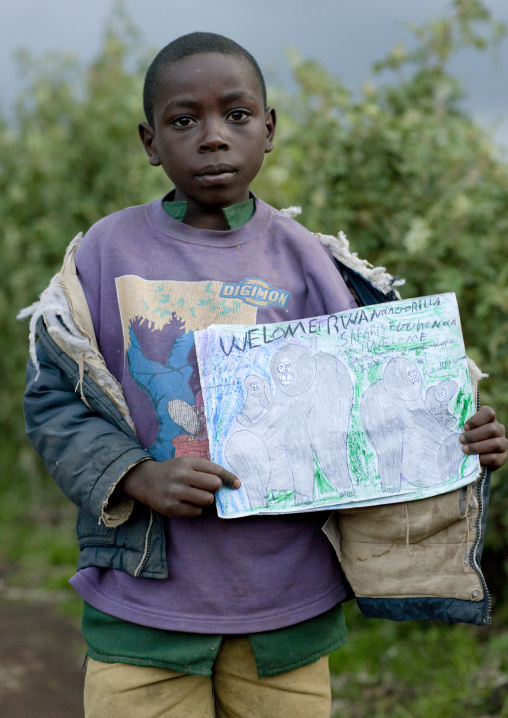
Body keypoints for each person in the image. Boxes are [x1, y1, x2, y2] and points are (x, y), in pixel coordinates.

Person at [20, 32, 507, 718]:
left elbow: (373, 409)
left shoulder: (310, 261)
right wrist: (133, 474)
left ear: (269, 129)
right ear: (150, 141)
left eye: (237, 116)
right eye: (184, 120)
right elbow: (53, 401)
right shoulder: (108, 252)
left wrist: (461, 439)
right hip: (143, 605)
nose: (213, 137)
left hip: (287, 610)